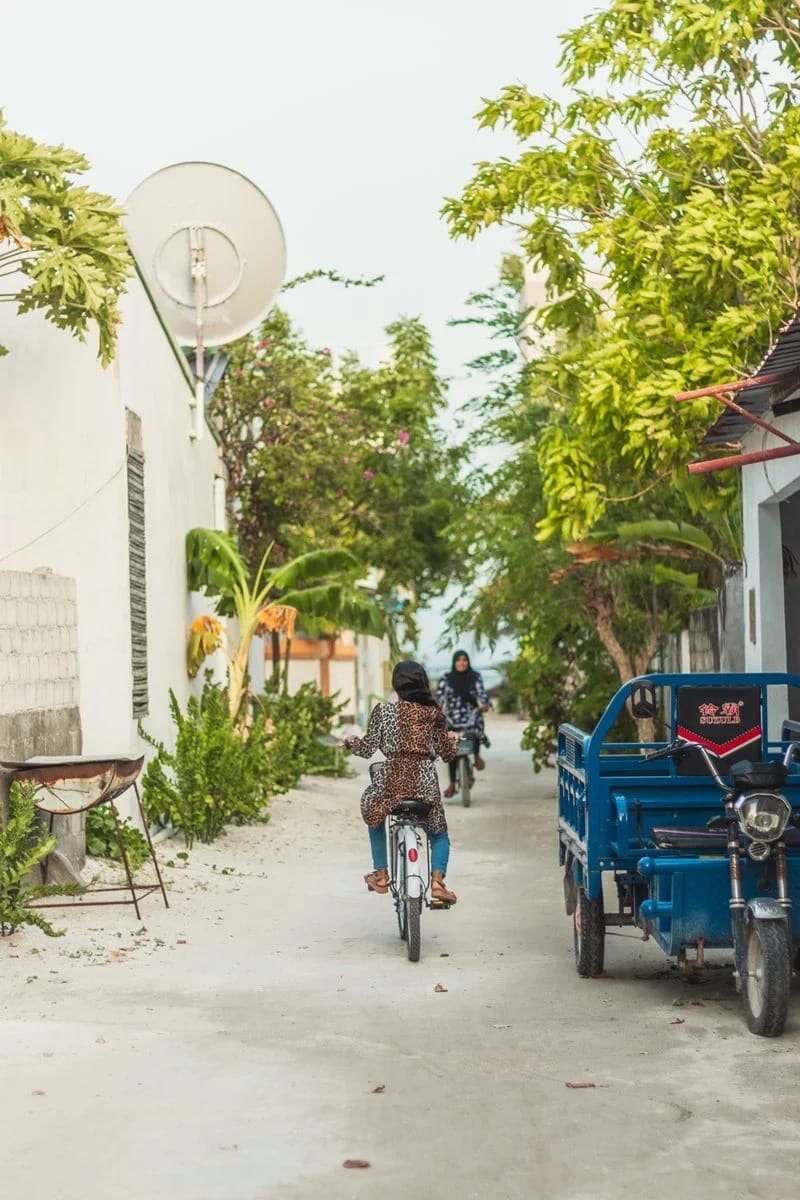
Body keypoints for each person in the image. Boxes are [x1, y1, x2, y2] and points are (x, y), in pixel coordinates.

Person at [343, 660, 458, 905]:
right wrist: (453, 741)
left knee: (374, 813)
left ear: (396, 685)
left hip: (390, 782)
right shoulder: (434, 714)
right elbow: (447, 755)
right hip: (424, 784)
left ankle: (381, 874)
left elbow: (366, 749)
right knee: (438, 834)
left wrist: (351, 741)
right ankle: (437, 882)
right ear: (423, 684)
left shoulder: (383, 711)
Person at [436, 649, 491, 798]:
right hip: (452, 715)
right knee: (451, 744)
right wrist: (437, 710)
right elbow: (440, 697)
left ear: (468, 662)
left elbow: (482, 694)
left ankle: (477, 756)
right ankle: (453, 784)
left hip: (471, 713)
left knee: (476, 727)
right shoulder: (446, 679)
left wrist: (484, 704)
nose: (462, 663)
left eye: (464, 660)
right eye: (458, 660)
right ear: (454, 662)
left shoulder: (475, 677)